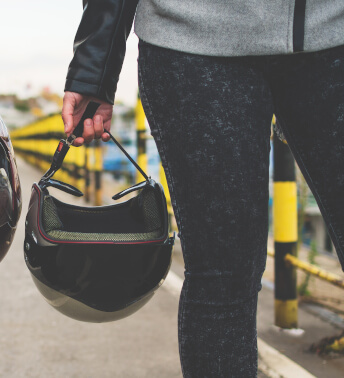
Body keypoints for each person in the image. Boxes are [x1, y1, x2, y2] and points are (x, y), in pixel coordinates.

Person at [61, 0, 344, 376]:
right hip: (193, 37)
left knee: (224, 279)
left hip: (333, 31)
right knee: (224, 277)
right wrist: (94, 67)